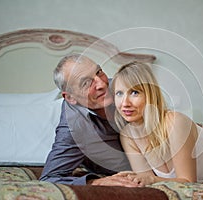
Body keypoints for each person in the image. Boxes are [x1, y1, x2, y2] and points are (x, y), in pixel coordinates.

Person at [39, 54, 139, 187]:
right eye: (86, 83)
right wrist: (96, 182)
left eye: (99, 72)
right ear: (70, 97)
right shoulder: (73, 127)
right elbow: (49, 178)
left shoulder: (124, 87)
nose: (102, 84)